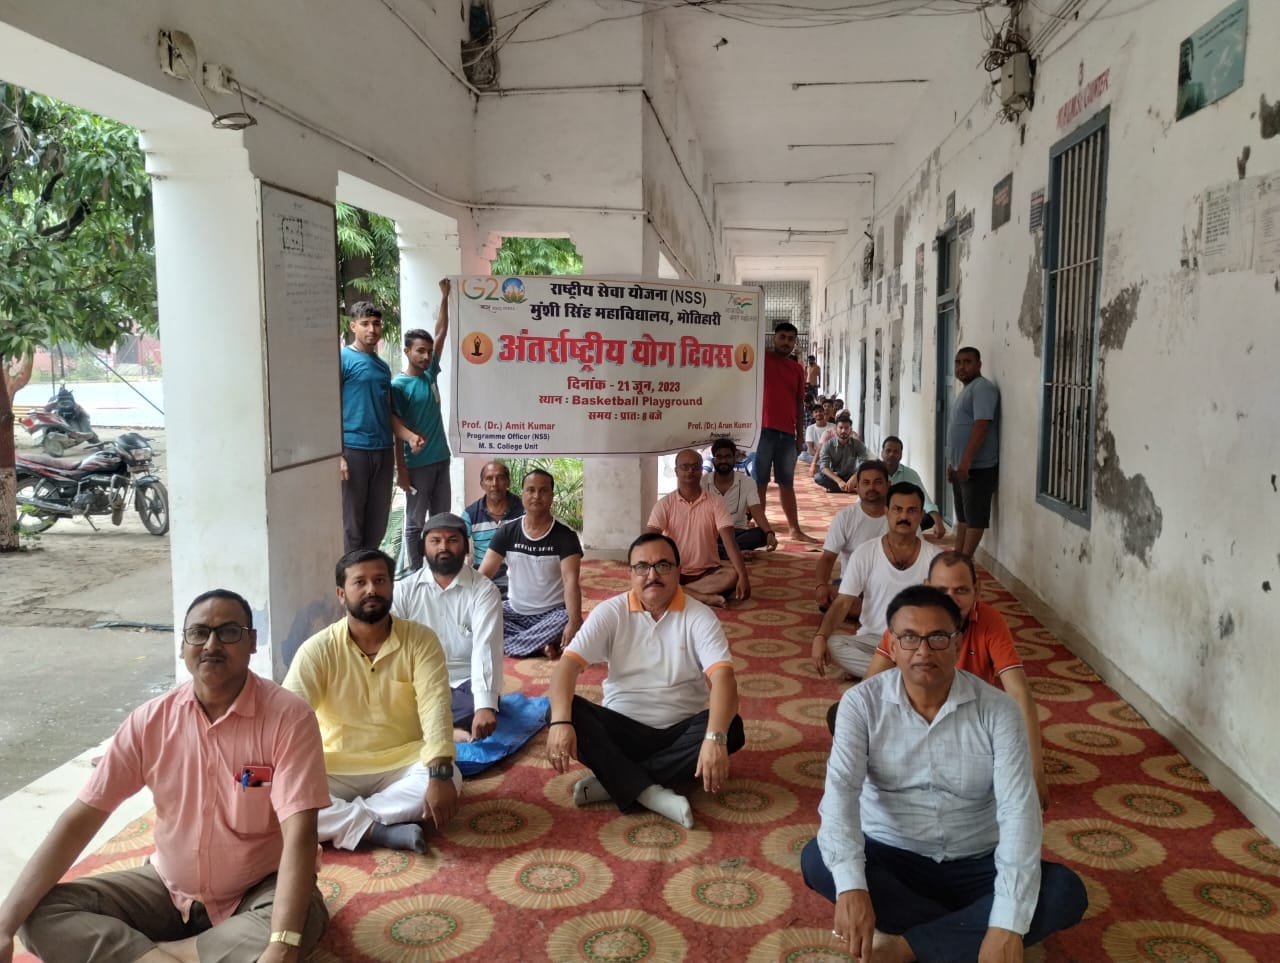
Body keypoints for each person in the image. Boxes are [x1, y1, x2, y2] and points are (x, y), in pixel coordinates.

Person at [0, 590, 330, 962]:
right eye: (199, 633)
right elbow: (81, 819)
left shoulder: (289, 718)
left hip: (258, 889)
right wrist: (4, 926)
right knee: (37, 915)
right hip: (168, 892)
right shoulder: (150, 722)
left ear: (252, 642)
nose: (211, 644)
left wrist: (282, 944)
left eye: (228, 632)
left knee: (297, 924)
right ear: (183, 645)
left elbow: (300, 833)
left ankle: (156, 954)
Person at [801, 585, 1087, 961]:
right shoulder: (861, 704)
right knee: (818, 860)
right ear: (892, 644)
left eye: (937, 637)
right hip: (892, 855)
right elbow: (841, 793)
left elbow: (1019, 812)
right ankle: (963, 935)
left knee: (1065, 892)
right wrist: (853, 888)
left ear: (958, 642)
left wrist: (1006, 925)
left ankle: (907, 946)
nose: (923, 651)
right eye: (909, 637)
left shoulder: (999, 710)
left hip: (977, 861)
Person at [546, 533, 745, 828]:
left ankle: (616, 782)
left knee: (731, 728)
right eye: (642, 567)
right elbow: (567, 666)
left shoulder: (699, 616)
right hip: (621, 732)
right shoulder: (610, 612)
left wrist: (714, 737)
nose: (652, 575)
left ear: (678, 570)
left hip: (679, 732)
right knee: (561, 711)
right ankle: (650, 791)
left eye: (663, 565)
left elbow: (724, 678)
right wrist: (561, 722)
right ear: (630, 573)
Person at [283, 549, 459, 856]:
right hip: (335, 766)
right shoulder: (317, 650)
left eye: (379, 580)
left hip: (404, 761)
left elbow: (435, 706)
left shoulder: (420, 640)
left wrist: (439, 773)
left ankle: (341, 820)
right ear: (341, 593)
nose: (371, 590)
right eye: (359, 582)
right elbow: (288, 717)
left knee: (450, 779)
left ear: (392, 586)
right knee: (268, 792)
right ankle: (378, 830)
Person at [864, 551, 1049, 808]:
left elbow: (1018, 693)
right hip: (912, 718)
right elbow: (869, 688)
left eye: (961, 590)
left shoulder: (990, 622)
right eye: (941, 590)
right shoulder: (908, 619)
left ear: (977, 590)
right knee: (841, 715)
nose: (950, 600)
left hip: (969, 722)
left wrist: (1035, 769)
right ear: (926, 588)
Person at [391, 513, 504, 744]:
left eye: (452, 540)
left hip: (464, 684)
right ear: (423, 547)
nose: (443, 547)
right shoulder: (403, 590)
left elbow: (486, 649)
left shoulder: (484, 591)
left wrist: (484, 706)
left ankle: (419, 728)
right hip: (418, 682)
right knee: (381, 696)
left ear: (465, 546)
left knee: (480, 703)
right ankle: (446, 730)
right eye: (435, 541)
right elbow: (390, 646)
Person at [813, 482, 942, 680]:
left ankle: (881, 674)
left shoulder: (936, 559)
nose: (904, 516)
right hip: (873, 639)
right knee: (832, 645)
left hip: (917, 642)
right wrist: (821, 636)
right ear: (886, 512)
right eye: (897, 509)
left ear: (921, 515)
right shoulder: (866, 552)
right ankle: (905, 675)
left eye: (911, 510)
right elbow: (843, 602)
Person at [341, 300, 424, 554]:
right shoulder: (342, 360)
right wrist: (337, 455)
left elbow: (387, 412)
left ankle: (369, 570)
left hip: (383, 451)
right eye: (365, 324)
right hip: (354, 450)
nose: (372, 329)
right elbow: (327, 410)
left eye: (376, 323)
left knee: (377, 524)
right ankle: (352, 574)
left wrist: (410, 436)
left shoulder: (382, 367)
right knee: (352, 525)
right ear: (353, 326)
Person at [479, 468, 583, 659]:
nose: (536, 496)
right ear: (523, 494)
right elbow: (483, 575)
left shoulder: (565, 536)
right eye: (531, 490)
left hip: (552, 614)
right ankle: (540, 644)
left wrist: (574, 621)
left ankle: (513, 643)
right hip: (514, 609)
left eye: (543, 491)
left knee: (567, 619)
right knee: (481, 614)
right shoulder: (507, 531)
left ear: (552, 496)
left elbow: (571, 582)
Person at [392, 279, 453, 571]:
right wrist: (401, 470)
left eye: (428, 351)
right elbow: (396, 430)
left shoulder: (429, 375)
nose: (426, 356)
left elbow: (441, 332)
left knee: (441, 519)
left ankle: (438, 569)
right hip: (417, 465)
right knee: (415, 522)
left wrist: (444, 297)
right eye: (420, 351)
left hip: (441, 458)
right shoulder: (399, 387)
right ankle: (416, 573)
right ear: (407, 351)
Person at [648, 448, 751, 607]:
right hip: (673, 571)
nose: (690, 471)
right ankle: (702, 597)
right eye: (685, 467)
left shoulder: (715, 502)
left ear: (701, 470)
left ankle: (674, 593)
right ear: (676, 471)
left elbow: (729, 541)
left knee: (732, 575)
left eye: (695, 467)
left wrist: (743, 576)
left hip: (706, 573)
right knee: (647, 576)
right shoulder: (665, 504)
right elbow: (650, 540)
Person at [754, 322, 817, 542]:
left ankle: (795, 530)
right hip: (762, 432)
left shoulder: (797, 369)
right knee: (759, 483)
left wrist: (800, 435)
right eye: (782, 337)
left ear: (795, 342)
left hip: (787, 435)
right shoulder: (761, 360)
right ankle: (761, 531)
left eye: (791, 339)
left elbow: (799, 403)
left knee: (787, 483)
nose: (786, 342)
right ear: (774, 338)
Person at [813, 460, 890, 610]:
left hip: (890, 585)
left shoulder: (900, 517)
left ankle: (872, 611)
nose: (872, 488)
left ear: (888, 485)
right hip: (853, 586)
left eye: (878, 482)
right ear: (858, 487)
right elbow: (827, 558)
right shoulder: (845, 517)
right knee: (831, 596)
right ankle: (880, 612)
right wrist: (821, 585)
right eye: (866, 483)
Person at [947, 346, 1000, 556]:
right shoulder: (967, 390)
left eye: (967, 362)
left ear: (979, 365)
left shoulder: (982, 388)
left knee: (975, 518)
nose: (962, 367)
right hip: (961, 466)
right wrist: (953, 463)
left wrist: (967, 460)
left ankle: (965, 561)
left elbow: (981, 425)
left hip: (977, 467)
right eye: (958, 362)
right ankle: (957, 557)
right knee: (963, 517)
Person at [702, 437, 778, 557]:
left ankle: (717, 551)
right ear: (714, 460)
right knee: (693, 536)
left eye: (727, 456)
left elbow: (756, 509)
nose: (723, 461)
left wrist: (769, 532)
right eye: (719, 457)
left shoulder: (747, 482)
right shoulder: (703, 482)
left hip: (735, 532)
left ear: (734, 458)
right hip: (709, 532)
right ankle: (733, 552)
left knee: (761, 534)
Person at [462, 460, 525, 598]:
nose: (494, 484)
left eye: (500, 478)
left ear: (508, 482)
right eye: (489, 478)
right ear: (482, 484)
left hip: (518, 573)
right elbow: (458, 544)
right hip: (483, 574)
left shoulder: (523, 511)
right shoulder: (470, 514)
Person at [880, 435, 947, 537]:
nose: (891, 454)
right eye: (888, 451)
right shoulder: (875, 472)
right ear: (882, 453)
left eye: (896, 452)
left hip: (903, 513)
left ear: (901, 455)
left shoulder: (910, 474)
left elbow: (924, 497)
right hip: (881, 514)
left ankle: (903, 530)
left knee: (929, 517)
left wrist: (938, 521)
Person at [816, 413, 870, 493]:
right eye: (841, 428)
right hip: (835, 476)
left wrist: (855, 477)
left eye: (846, 428)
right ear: (835, 429)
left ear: (850, 430)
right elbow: (824, 467)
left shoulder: (858, 445)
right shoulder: (828, 445)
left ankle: (836, 488)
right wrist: (839, 481)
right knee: (818, 477)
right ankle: (850, 489)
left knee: (869, 475)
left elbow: (864, 464)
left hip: (852, 476)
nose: (843, 431)